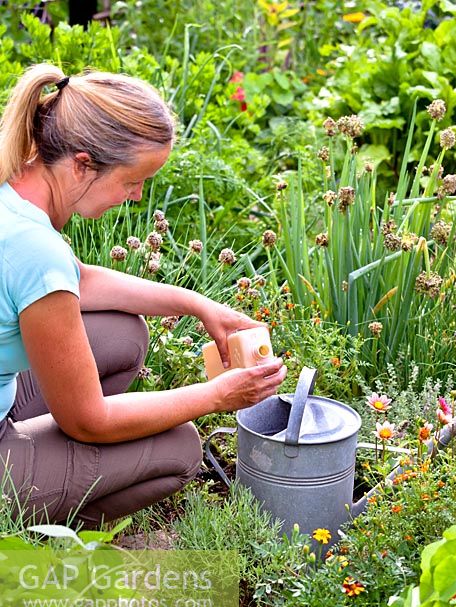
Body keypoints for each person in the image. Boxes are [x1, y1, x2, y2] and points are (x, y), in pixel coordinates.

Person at [0, 64, 286, 528]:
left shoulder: (13, 187)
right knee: (178, 449)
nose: (135, 196)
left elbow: (80, 281)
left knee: (122, 333)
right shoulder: (34, 250)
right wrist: (215, 395)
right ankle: (43, 538)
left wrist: (197, 304)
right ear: (82, 163)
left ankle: (54, 471)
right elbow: (87, 421)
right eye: (132, 180)